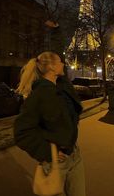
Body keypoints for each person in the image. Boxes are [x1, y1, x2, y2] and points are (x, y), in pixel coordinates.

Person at [14, 51, 86, 196]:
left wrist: (55, 30)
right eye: (60, 61)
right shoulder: (39, 95)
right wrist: (47, 152)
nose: (63, 64)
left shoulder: (61, 87)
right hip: (56, 162)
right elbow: (21, 132)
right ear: (52, 67)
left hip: (75, 155)